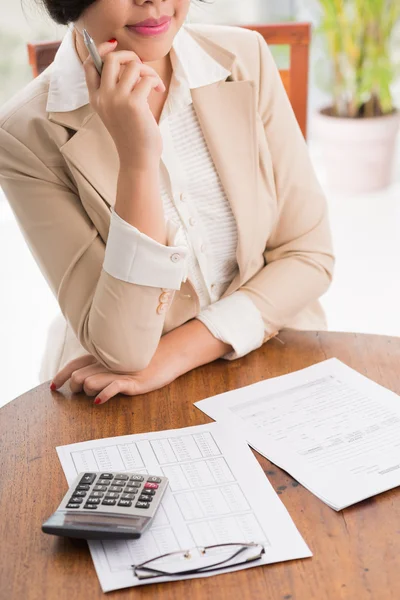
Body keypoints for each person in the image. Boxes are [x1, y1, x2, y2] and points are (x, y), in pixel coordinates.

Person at [0, 0, 335, 405]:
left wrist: (175, 354)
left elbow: (308, 256)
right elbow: (123, 352)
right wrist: (137, 161)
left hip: (274, 348)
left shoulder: (245, 57)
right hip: (124, 394)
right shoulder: (24, 134)